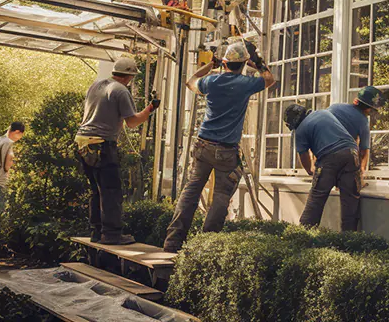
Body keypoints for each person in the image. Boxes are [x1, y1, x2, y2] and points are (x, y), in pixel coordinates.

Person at [163, 41, 275, 253]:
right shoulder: (245, 83)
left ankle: (172, 242)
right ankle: (204, 247)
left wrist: (211, 65)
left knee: (191, 192)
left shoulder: (211, 82)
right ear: (243, 64)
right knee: (221, 197)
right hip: (226, 151)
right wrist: (258, 63)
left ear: (224, 63)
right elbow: (269, 79)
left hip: (203, 145)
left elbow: (191, 82)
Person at [75, 57, 159, 245]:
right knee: (111, 191)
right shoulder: (121, 90)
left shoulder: (96, 85)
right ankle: (112, 234)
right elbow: (132, 123)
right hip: (101, 145)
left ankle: (97, 232)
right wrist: (151, 108)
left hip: (82, 143)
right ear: (129, 76)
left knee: (96, 190)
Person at [289, 86, 380, 231]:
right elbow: (362, 150)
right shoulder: (322, 113)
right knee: (350, 201)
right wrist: (360, 173)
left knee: (317, 198)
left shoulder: (301, 130)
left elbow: (304, 156)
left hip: (328, 157)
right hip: (351, 153)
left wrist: (311, 171)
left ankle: (303, 235)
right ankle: (348, 241)